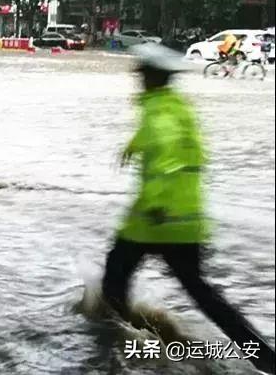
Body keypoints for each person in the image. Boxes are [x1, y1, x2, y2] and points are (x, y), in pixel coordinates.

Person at [102, 42, 275, 375]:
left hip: (155, 220)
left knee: (114, 280)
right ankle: (263, 357)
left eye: (142, 74)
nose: (138, 79)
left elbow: (168, 158)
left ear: (152, 78)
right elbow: (179, 146)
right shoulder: (176, 107)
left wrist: (157, 204)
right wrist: (133, 146)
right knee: (202, 294)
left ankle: (118, 347)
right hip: (185, 221)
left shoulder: (157, 112)